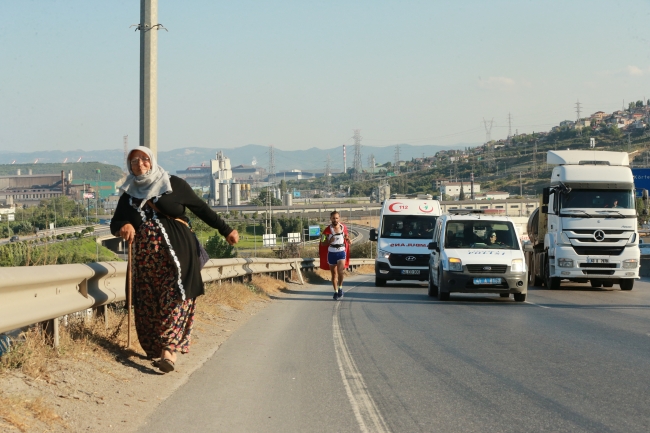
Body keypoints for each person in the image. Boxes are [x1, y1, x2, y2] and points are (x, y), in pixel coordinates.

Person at [110, 146, 239, 374]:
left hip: (178, 255)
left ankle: (169, 350)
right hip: (144, 261)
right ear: (129, 166)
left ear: (152, 161)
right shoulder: (128, 193)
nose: (140, 164)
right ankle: (155, 348)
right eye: (134, 161)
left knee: (176, 298)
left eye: (144, 159)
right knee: (148, 302)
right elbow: (114, 224)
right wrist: (125, 226)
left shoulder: (173, 184)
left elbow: (201, 208)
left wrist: (225, 229)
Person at [319, 211, 350, 300]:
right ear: (330, 219)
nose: (335, 220)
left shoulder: (343, 228)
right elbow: (322, 243)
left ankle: (340, 288)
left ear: (339, 218)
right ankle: (336, 292)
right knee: (334, 274)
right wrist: (329, 241)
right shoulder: (326, 231)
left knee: (340, 272)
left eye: (336, 218)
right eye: (333, 218)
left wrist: (348, 239)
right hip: (332, 253)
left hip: (341, 252)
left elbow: (347, 236)